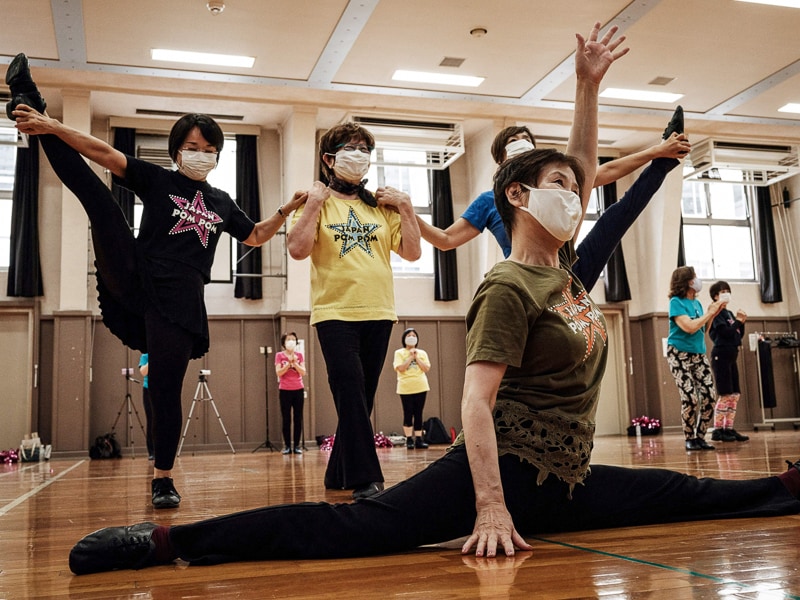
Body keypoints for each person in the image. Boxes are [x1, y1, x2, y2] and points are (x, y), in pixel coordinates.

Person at [66, 35, 800, 572]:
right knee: (360, 530)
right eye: (558, 185)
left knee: (676, 490)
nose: (574, 195)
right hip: (505, 472)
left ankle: (784, 486)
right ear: (515, 196)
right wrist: (488, 504)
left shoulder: (568, 270)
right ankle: (170, 542)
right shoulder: (510, 286)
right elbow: (475, 406)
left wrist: (588, 88)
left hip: (564, 477)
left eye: (575, 187)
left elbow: (584, 167)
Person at [7, 54, 307, 508]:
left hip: (181, 304)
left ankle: (162, 477)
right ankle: (33, 103)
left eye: (210, 149)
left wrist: (286, 209)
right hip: (136, 275)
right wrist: (52, 126)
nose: (201, 154)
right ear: (176, 150)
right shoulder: (159, 180)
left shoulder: (223, 201)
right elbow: (102, 153)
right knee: (99, 199)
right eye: (192, 145)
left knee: (165, 390)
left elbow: (258, 235)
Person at [287, 122, 422, 499]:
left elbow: (412, 252)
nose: (359, 154)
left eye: (365, 148)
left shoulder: (379, 206)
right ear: (329, 158)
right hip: (335, 312)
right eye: (351, 147)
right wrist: (313, 202)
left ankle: (337, 472)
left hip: (379, 310)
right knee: (348, 388)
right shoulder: (315, 202)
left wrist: (407, 207)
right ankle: (367, 477)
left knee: (360, 397)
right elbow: (297, 249)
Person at [417, 114, 690, 292]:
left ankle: (663, 164)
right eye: (513, 142)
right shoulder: (489, 201)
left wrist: (658, 151)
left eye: (526, 141)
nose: (521, 144)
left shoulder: (552, 184)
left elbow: (601, 173)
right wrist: (408, 212)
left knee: (615, 217)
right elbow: (445, 239)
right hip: (532, 277)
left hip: (570, 266)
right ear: (501, 158)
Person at [666, 266, 727, 451]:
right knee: (690, 398)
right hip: (679, 354)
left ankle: (700, 437)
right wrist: (710, 313)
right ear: (687, 281)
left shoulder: (698, 305)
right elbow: (689, 327)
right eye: (694, 277)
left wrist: (712, 313)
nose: (697, 280)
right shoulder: (676, 302)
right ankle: (689, 437)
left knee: (709, 396)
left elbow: (702, 331)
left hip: (698, 354)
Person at [708, 281, 750, 443]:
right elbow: (725, 333)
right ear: (715, 296)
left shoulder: (730, 313)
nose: (726, 293)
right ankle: (718, 429)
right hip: (721, 354)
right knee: (725, 394)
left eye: (728, 290)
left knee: (735, 394)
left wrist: (741, 322)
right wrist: (739, 322)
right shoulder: (716, 314)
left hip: (732, 354)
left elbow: (737, 334)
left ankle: (729, 428)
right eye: (722, 291)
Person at [393, 327, 431, 449]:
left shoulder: (422, 353)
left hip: (421, 385)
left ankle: (419, 439)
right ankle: (409, 439)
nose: (411, 337)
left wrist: (416, 357)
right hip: (405, 387)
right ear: (404, 338)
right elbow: (400, 368)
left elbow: (426, 368)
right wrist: (410, 357)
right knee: (408, 413)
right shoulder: (399, 353)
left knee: (419, 413)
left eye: (414, 335)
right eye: (408, 335)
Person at [275, 332, 306, 454]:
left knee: (298, 418)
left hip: (298, 389)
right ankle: (287, 446)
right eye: (289, 339)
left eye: (293, 339)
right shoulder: (279, 355)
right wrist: (288, 364)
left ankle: (297, 446)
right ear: (284, 342)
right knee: (286, 418)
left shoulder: (299, 355)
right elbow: (279, 373)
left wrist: (295, 363)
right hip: (284, 390)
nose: (291, 341)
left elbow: (303, 372)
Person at [138, 353, 155, 460]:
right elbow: (144, 372)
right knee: (151, 420)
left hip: (162, 388)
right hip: (149, 389)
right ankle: (152, 452)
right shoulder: (145, 355)